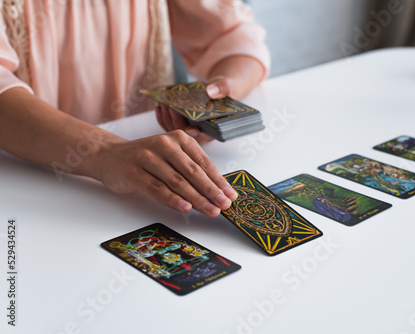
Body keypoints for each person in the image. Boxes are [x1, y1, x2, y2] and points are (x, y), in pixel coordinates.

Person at [0, 0, 270, 217]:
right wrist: (104, 152)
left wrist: (218, 100)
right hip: (27, 185)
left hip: (138, 190)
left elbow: (233, 34)